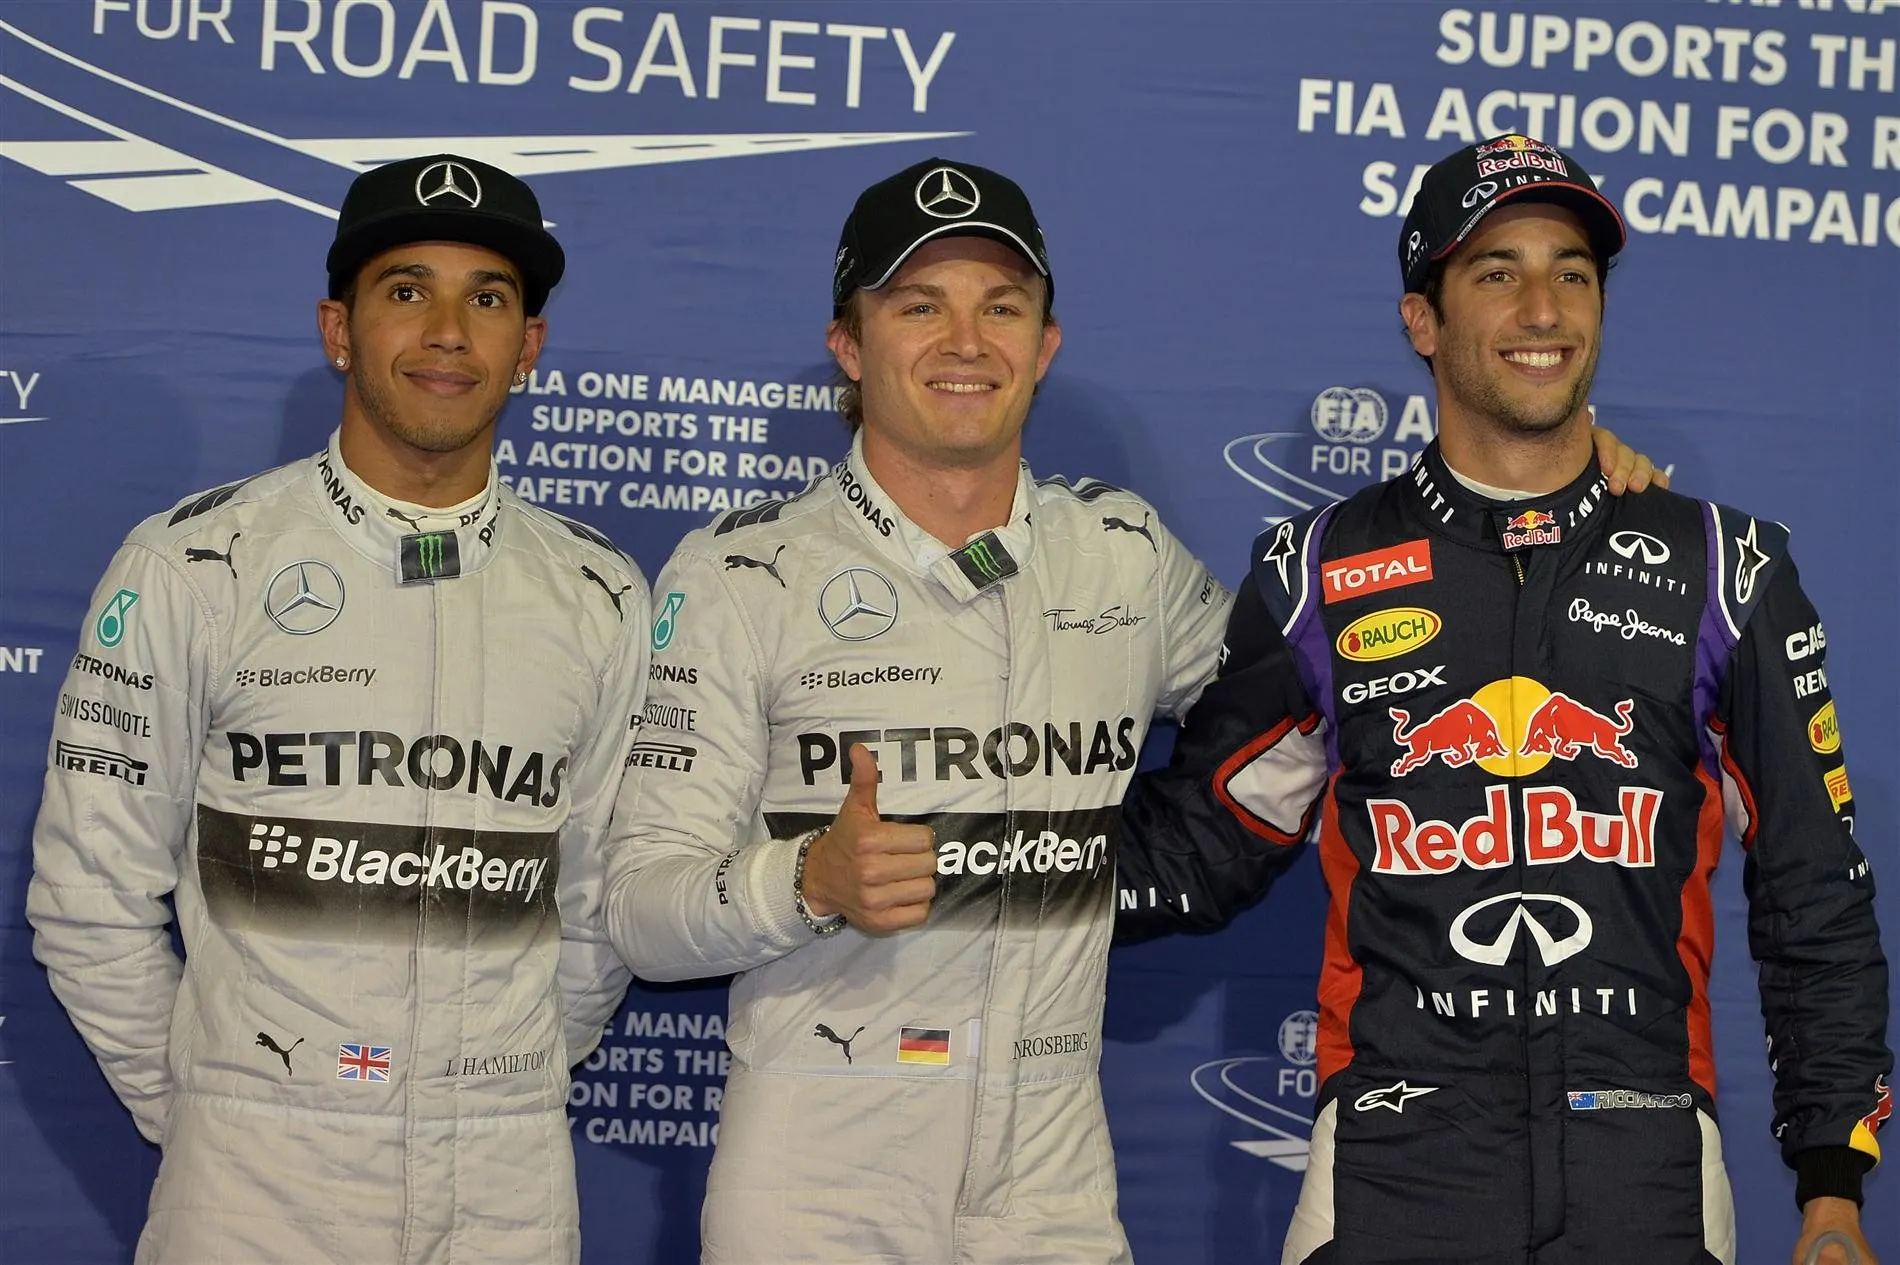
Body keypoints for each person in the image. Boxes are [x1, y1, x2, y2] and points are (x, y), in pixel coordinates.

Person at [600, 154, 1665, 1264]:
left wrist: (1561, 475)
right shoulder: (740, 572)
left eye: (1001, 307)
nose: (966, 343)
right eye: (920, 305)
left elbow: (1324, 690)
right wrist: (804, 878)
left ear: (1044, 346)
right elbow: (636, 906)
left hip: (1053, 1164)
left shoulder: (1121, 554)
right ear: (848, 343)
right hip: (821, 1158)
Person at [1116, 135, 1891, 1265]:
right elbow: (1205, 841)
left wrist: (1831, 1185)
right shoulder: (1315, 572)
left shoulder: (1727, 570)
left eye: (1571, 271)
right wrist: (972, 858)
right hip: (1390, 1167)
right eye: (1497, 271)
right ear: (1421, 319)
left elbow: (1814, 888)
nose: (1544, 307)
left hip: (1649, 1171)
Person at [28, 154, 647, 1264]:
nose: (450, 329)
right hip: (253, 1180)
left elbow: (598, 904)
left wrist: (485, 1086)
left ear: (530, 346)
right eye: (407, 290)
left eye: (489, 298)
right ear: (338, 328)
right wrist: (215, 1112)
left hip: (504, 1181)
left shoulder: (600, 592)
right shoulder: (195, 562)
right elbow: (86, 896)